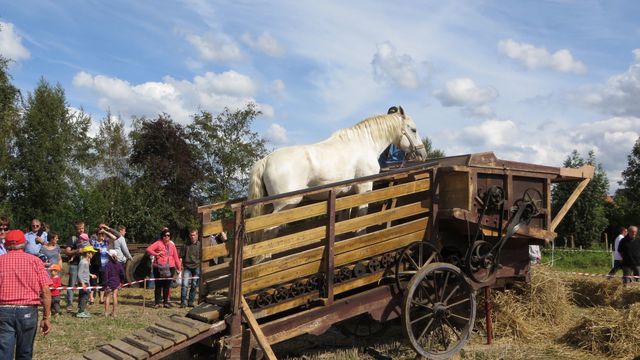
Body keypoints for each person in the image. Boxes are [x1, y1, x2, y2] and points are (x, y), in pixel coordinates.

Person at [0, 230, 52, 359]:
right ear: (25, 243)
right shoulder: (35, 261)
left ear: (6, 245)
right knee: (25, 352)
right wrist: (46, 317)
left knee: (3, 351)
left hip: (3, 310)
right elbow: (46, 291)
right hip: (27, 311)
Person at [146, 229, 182, 308]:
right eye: (165, 235)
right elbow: (148, 249)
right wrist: (156, 254)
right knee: (158, 285)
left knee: (167, 286)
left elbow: (176, 257)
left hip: (170, 267)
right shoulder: (158, 243)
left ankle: (165, 302)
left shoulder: (172, 245)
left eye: (168, 235)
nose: (166, 237)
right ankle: (157, 303)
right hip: (158, 267)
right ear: (162, 236)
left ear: (170, 237)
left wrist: (179, 268)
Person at [64, 221, 86, 312]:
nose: (81, 230)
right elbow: (67, 251)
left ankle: (81, 304)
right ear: (76, 229)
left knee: (83, 284)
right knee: (71, 285)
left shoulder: (86, 238)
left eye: (82, 228)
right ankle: (69, 304)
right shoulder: (72, 239)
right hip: (74, 265)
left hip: (84, 265)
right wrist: (77, 251)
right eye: (79, 229)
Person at [181, 229, 201, 308]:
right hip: (187, 267)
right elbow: (181, 256)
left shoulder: (200, 245)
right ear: (189, 236)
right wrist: (179, 267)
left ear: (197, 235)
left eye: (194, 235)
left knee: (194, 285)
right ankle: (183, 302)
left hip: (196, 267)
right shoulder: (185, 245)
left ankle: (191, 302)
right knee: (185, 284)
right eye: (191, 235)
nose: (192, 237)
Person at [77, 245, 98, 318]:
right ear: (88, 253)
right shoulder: (83, 262)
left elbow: (85, 271)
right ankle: (81, 311)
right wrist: (82, 283)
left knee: (84, 296)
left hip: (86, 282)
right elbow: (79, 273)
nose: (93, 254)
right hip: (84, 282)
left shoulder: (86, 262)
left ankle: (81, 310)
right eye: (92, 253)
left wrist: (91, 275)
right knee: (84, 297)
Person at [103, 249, 125, 317]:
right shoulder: (119, 264)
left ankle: (106, 312)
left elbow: (105, 275)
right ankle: (114, 313)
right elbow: (122, 274)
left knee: (108, 297)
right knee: (115, 296)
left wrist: (105, 284)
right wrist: (122, 282)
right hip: (116, 282)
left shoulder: (107, 265)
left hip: (109, 283)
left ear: (109, 256)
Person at [91, 231, 109, 304]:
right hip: (95, 264)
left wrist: (105, 231)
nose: (101, 237)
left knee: (102, 282)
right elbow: (92, 252)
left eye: (103, 235)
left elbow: (114, 238)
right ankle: (91, 298)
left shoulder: (106, 243)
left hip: (103, 264)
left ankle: (101, 298)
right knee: (93, 281)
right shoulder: (93, 242)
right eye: (100, 235)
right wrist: (98, 250)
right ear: (97, 235)